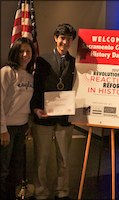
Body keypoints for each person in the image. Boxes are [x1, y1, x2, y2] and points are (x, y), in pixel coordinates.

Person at [30, 23, 77, 200]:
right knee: (41, 159)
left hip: (65, 118)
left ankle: (62, 191)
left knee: (64, 159)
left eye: (68, 38)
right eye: (62, 37)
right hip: (43, 117)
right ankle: (41, 191)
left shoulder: (75, 62)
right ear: (56, 38)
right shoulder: (42, 60)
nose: (65, 41)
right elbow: (36, 87)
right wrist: (35, 109)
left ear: (72, 41)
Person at [0, 37, 36, 200]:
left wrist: (28, 124)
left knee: (16, 169)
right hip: (6, 128)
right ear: (15, 52)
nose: (25, 54)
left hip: (21, 127)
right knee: (3, 169)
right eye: (21, 51)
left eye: (28, 51)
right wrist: (3, 129)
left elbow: (25, 103)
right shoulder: (7, 72)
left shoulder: (29, 76)